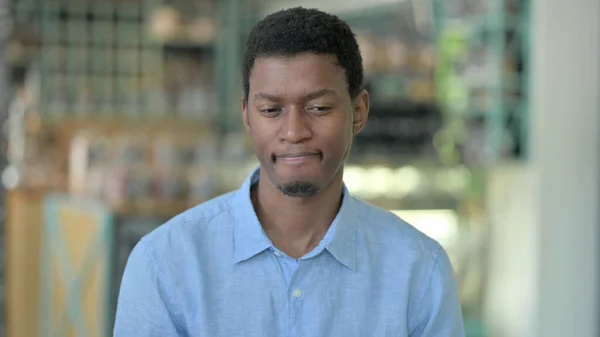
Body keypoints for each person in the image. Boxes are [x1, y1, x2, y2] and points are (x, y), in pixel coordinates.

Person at [114, 7, 465, 337]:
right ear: (246, 115)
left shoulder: (419, 270)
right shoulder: (165, 263)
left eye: (319, 107)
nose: (294, 131)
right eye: (271, 109)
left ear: (358, 112)